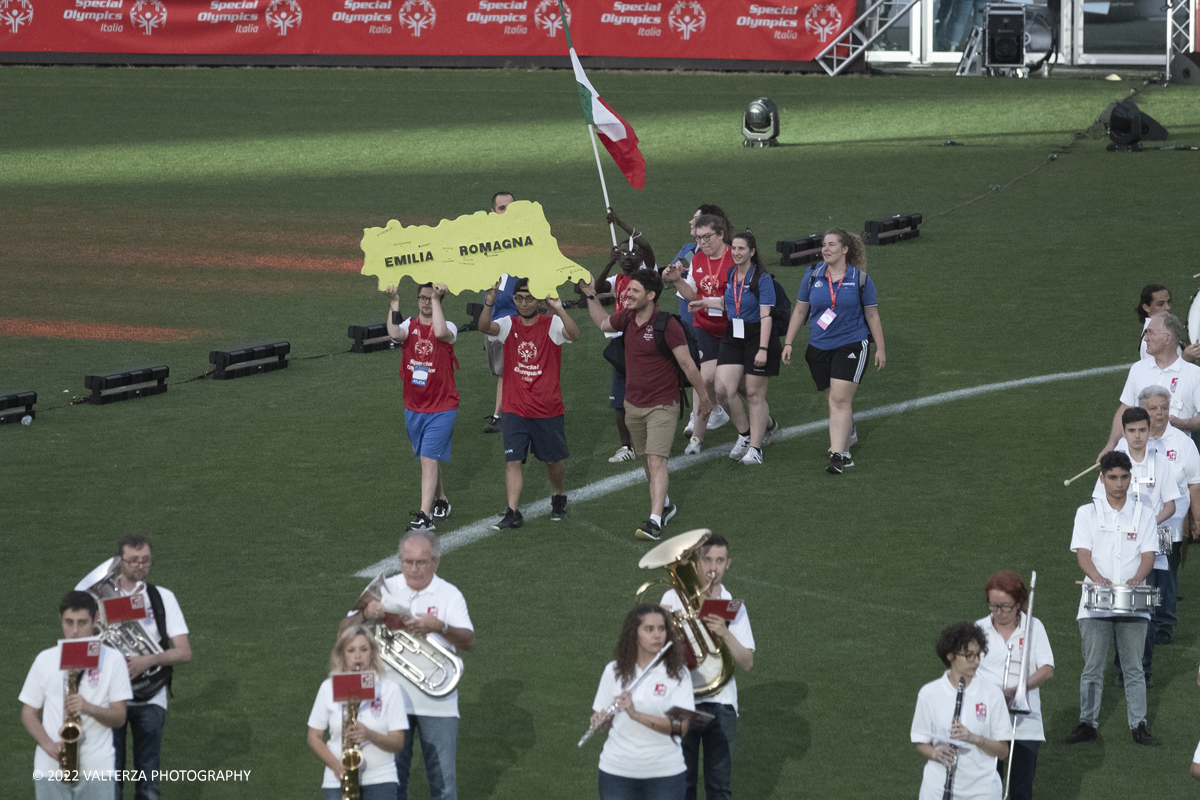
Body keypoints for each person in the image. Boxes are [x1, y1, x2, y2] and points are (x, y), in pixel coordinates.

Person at [341, 529, 475, 800]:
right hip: (388, 702)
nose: (413, 569)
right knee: (391, 783)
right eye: (407, 562)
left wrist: (441, 627)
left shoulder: (450, 595)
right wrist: (366, 613)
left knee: (444, 787)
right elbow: (343, 633)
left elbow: (468, 641)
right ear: (399, 560)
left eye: (421, 562)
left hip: (437, 705)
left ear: (435, 562)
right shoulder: (384, 589)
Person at [580, 269, 711, 540]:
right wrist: (590, 295)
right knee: (646, 461)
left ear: (651, 296)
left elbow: (687, 364)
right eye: (629, 290)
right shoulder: (627, 318)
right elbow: (604, 323)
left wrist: (705, 398)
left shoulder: (668, 325)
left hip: (663, 404)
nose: (628, 294)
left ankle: (654, 521)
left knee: (656, 459)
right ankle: (664, 505)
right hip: (633, 405)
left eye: (635, 291)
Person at [1065, 451, 1161, 746]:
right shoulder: (1086, 513)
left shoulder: (1144, 514)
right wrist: (1097, 578)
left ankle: (1139, 725)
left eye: (1123, 477)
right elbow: (1083, 553)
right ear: (1102, 478)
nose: (1118, 484)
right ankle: (1087, 723)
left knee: (1134, 668)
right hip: (1094, 603)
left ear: (1130, 478)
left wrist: (1138, 577)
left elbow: (1149, 555)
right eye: (1112, 478)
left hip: (1133, 602)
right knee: (1092, 667)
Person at [95, 535, 191, 800]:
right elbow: (82, 646)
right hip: (109, 697)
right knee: (109, 775)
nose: (139, 565)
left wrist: (146, 660)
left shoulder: (162, 597)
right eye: (133, 560)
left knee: (148, 778)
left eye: (145, 560)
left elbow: (184, 652)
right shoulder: (100, 600)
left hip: (151, 695)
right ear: (119, 562)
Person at [782, 229, 886, 475]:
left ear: (845, 249)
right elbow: (799, 311)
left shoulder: (861, 280)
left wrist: (880, 347)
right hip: (818, 346)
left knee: (839, 400)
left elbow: (872, 315)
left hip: (851, 343)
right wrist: (788, 342)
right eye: (823, 245)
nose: (825, 249)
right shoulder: (812, 276)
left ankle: (840, 454)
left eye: (831, 244)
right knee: (833, 399)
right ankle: (847, 428)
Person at [479, 277, 580, 529]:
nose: (524, 303)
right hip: (515, 408)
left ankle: (558, 495)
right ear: (513, 300)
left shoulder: (552, 324)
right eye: (519, 299)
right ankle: (512, 512)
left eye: (529, 298)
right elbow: (484, 327)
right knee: (512, 460)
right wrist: (489, 302)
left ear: (538, 300)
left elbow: (574, 334)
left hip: (547, 409)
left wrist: (558, 307)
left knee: (552, 461)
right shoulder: (507, 324)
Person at [659, 535, 754, 800]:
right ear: (697, 563)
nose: (713, 567)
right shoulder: (672, 598)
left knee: (719, 787)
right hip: (681, 702)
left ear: (728, 564)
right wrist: (663, 629)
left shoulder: (732, 607)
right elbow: (653, 657)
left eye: (720, 560)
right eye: (708, 559)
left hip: (721, 704)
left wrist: (724, 632)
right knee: (681, 784)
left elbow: (747, 662)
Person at [20, 591, 132, 800]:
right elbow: (28, 713)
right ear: (60, 620)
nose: (74, 631)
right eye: (68, 622)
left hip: (98, 769)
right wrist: (47, 744)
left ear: (96, 619)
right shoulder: (45, 659)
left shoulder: (113, 660)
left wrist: (88, 707)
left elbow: (119, 717)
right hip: (50, 768)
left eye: (82, 623)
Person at [1097, 406, 1178, 684]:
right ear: (1125, 431)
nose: (1137, 436)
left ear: (1149, 429)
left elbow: (1170, 505)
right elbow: (1100, 504)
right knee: (1123, 609)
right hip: (1119, 546)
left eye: (1142, 430)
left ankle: (1143, 669)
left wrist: (1146, 523)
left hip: (1151, 545)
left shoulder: (1161, 461)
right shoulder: (1114, 462)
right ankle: (1123, 669)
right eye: (1131, 431)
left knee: (1146, 610)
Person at [589, 605, 694, 800]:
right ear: (634, 634)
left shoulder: (678, 675)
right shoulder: (613, 671)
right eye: (649, 629)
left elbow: (681, 728)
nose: (658, 636)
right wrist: (600, 719)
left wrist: (636, 715)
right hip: (617, 772)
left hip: (665, 775)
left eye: (662, 629)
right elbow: (602, 714)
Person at [697, 230, 781, 465]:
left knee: (754, 393)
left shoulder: (762, 280)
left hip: (757, 336)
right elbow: (730, 301)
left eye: (741, 249)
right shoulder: (732, 273)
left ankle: (755, 448)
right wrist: (705, 302)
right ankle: (744, 434)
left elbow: (766, 317)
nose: (736, 253)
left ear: (752, 252)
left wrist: (763, 349)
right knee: (722, 389)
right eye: (733, 248)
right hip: (734, 333)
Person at [974, 572, 1054, 800]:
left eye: (1005, 607)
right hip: (986, 718)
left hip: (1025, 722)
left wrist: (1018, 690)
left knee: (1020, 789)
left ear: (1018, 604)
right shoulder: (978, 629)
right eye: (993, 605)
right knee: (987, 786)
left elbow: (1047, 669)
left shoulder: (1034, 627)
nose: (998, 612)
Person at [386, 281, 459, 531]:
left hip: (442, 406)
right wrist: (394, 304)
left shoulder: (449, 327)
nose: (426, 302)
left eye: (431, 298)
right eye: (422, 298)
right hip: (414, 406)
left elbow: (439, 334)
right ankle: (442, 500)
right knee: (428, 458)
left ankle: (424, 517)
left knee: (428, 457)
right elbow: (395, 335)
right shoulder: (409, 325)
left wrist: (438, 300)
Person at [910, 622, 1010, 800]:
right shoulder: (929, 693)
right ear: (950, 656)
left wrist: (974, 738)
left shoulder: (993, 694)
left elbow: (1003, 752)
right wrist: (935, 753)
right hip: (937, 789)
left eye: (978, 655)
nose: (976, 661)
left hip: (982, 791)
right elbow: (920, 741)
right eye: (968, 655)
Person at [307, 626, 408, 800]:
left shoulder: (390, 690)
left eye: (364, 649)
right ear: (342, 655)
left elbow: (398, 743)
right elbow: (313, 736)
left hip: (380, 780)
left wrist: (370, 735)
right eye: (351, 650)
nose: (358, 656)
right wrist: (336, 766)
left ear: (372, 653)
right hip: (337, 781)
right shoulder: (328, 688)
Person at [663, 214, 733, 454]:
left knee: (737, 388)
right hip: (705, 328)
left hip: (733, 328)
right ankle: (697, 437)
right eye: (699, 238)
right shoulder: (698, 260)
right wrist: (676, 281)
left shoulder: (735, 258)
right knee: (704, 380)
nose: (702, 242)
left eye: (707, 237)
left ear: (721, 234)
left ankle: (760, 426)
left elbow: (736, 300)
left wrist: (705, 303)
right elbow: (691, 293)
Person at [1139, 384, 1200, 643]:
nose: (1160, 414)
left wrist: (1196, 519)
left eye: (1164, 408)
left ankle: (1163, 625)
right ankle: (1142, 620)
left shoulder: (1182, 443)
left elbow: (1194, 484)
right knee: (1142, 571)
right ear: (1142, 410)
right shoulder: (1130, 441)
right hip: (1138, 524)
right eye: (1153, 408)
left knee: (1164, 573)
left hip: (1170, 523)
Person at [597, 210, 657, 464]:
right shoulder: (618, 279)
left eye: (632, 253)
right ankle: (626, 446)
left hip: (644, 339)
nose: (627, 257)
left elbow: (646, 244)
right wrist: (610, 262)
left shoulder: (648, 275)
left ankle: (652, 439)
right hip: (620, 343)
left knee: (647, 393)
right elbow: (598, 288)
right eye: (623, 254)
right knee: (619, 398)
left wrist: (620, 222)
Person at [1101, 312, 1200, 457]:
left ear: (1167, 338)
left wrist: (1181, 424)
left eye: (1150, 333)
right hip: (1138, 459)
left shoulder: (1194, 374)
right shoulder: (1138, 369)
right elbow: (1125, 408)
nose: (1145, 338)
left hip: (1177, 458)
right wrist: (1111, 445)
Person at [482, 191, 518, 434]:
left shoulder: (526, 240)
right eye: (502, 208)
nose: (508, 213)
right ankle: (504, 411)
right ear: (493, 212)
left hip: (517, 319)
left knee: (508, 371)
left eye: (512, 208)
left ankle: (501, 415)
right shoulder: (486, 243)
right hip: (493, 317)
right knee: (501, 372)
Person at [1134, 284, 1199, 361]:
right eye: (1160, 304)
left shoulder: (1164, 329)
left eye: (1168, 302)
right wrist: (1185, 358)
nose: (1168, 307)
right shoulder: (1151, 340)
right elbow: (1157, 372)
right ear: (1146, 307)